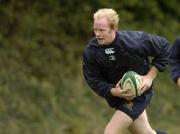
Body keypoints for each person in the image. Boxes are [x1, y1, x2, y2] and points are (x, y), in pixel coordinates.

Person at [82, 8, 169, 134]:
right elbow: (93, 80)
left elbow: (164, 47)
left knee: (110, 132)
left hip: (139, 94)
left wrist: (149, 77)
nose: (97, 34)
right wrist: (113, 91)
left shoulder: (133, 41)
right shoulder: (91, 51)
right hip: (118, 98)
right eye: (95, 30)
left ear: (113, 28)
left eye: (101, 30)